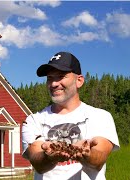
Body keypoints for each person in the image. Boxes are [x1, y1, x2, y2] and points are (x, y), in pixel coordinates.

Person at [21, 51, 120, 180]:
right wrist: (50, 157)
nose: (54, 84)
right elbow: (38, 163)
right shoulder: (34, 120)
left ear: (79, 81)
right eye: (50, 78)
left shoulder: (100, 117)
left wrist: (86, 154)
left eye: (61, 76)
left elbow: (98, 160)